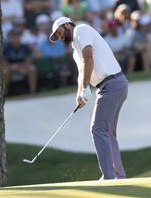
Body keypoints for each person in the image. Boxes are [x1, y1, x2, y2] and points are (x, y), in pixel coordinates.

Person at [49, 17, 128, 180]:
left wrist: (86, 88)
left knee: (98, 129)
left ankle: (109, 176)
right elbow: (82, 73)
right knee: (108, 132)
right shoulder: (74, 50)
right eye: (57, 35)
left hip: (111, 83)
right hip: (113, 85)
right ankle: (119, 175)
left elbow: (88, 57)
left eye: (59, 31)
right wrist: (80, 94)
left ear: (68, 25)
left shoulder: (81, 30)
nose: (60, 36)